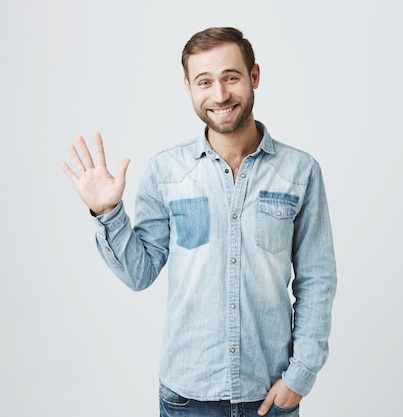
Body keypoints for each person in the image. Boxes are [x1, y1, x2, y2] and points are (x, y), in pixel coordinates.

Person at [61, 27, 337, 417]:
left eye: (231, 78)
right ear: (189, 87)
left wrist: (301, 376)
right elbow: (139, 274)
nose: (220, 95)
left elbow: (317, 279)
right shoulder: (165, 171)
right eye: (205, 81)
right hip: (187, 399)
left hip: (270, 397)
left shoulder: (300, 171)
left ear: (254, 76)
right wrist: (108, 213)